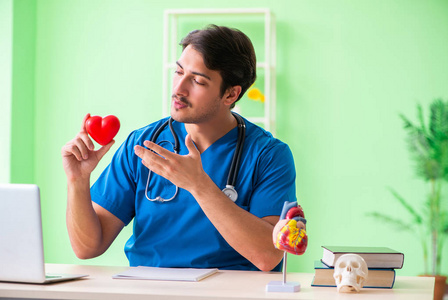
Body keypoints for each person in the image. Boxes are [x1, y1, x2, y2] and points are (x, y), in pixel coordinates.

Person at [62, 25, 297, 272]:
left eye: (197, 80)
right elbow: (87, 247)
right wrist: (77, 181)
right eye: (178, 71)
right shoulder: (143, 145)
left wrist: (198, 185)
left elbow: (268, 257)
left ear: (230, 95)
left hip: (228, 293)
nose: (179, 89)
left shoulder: (268, 155)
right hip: (150, 290)